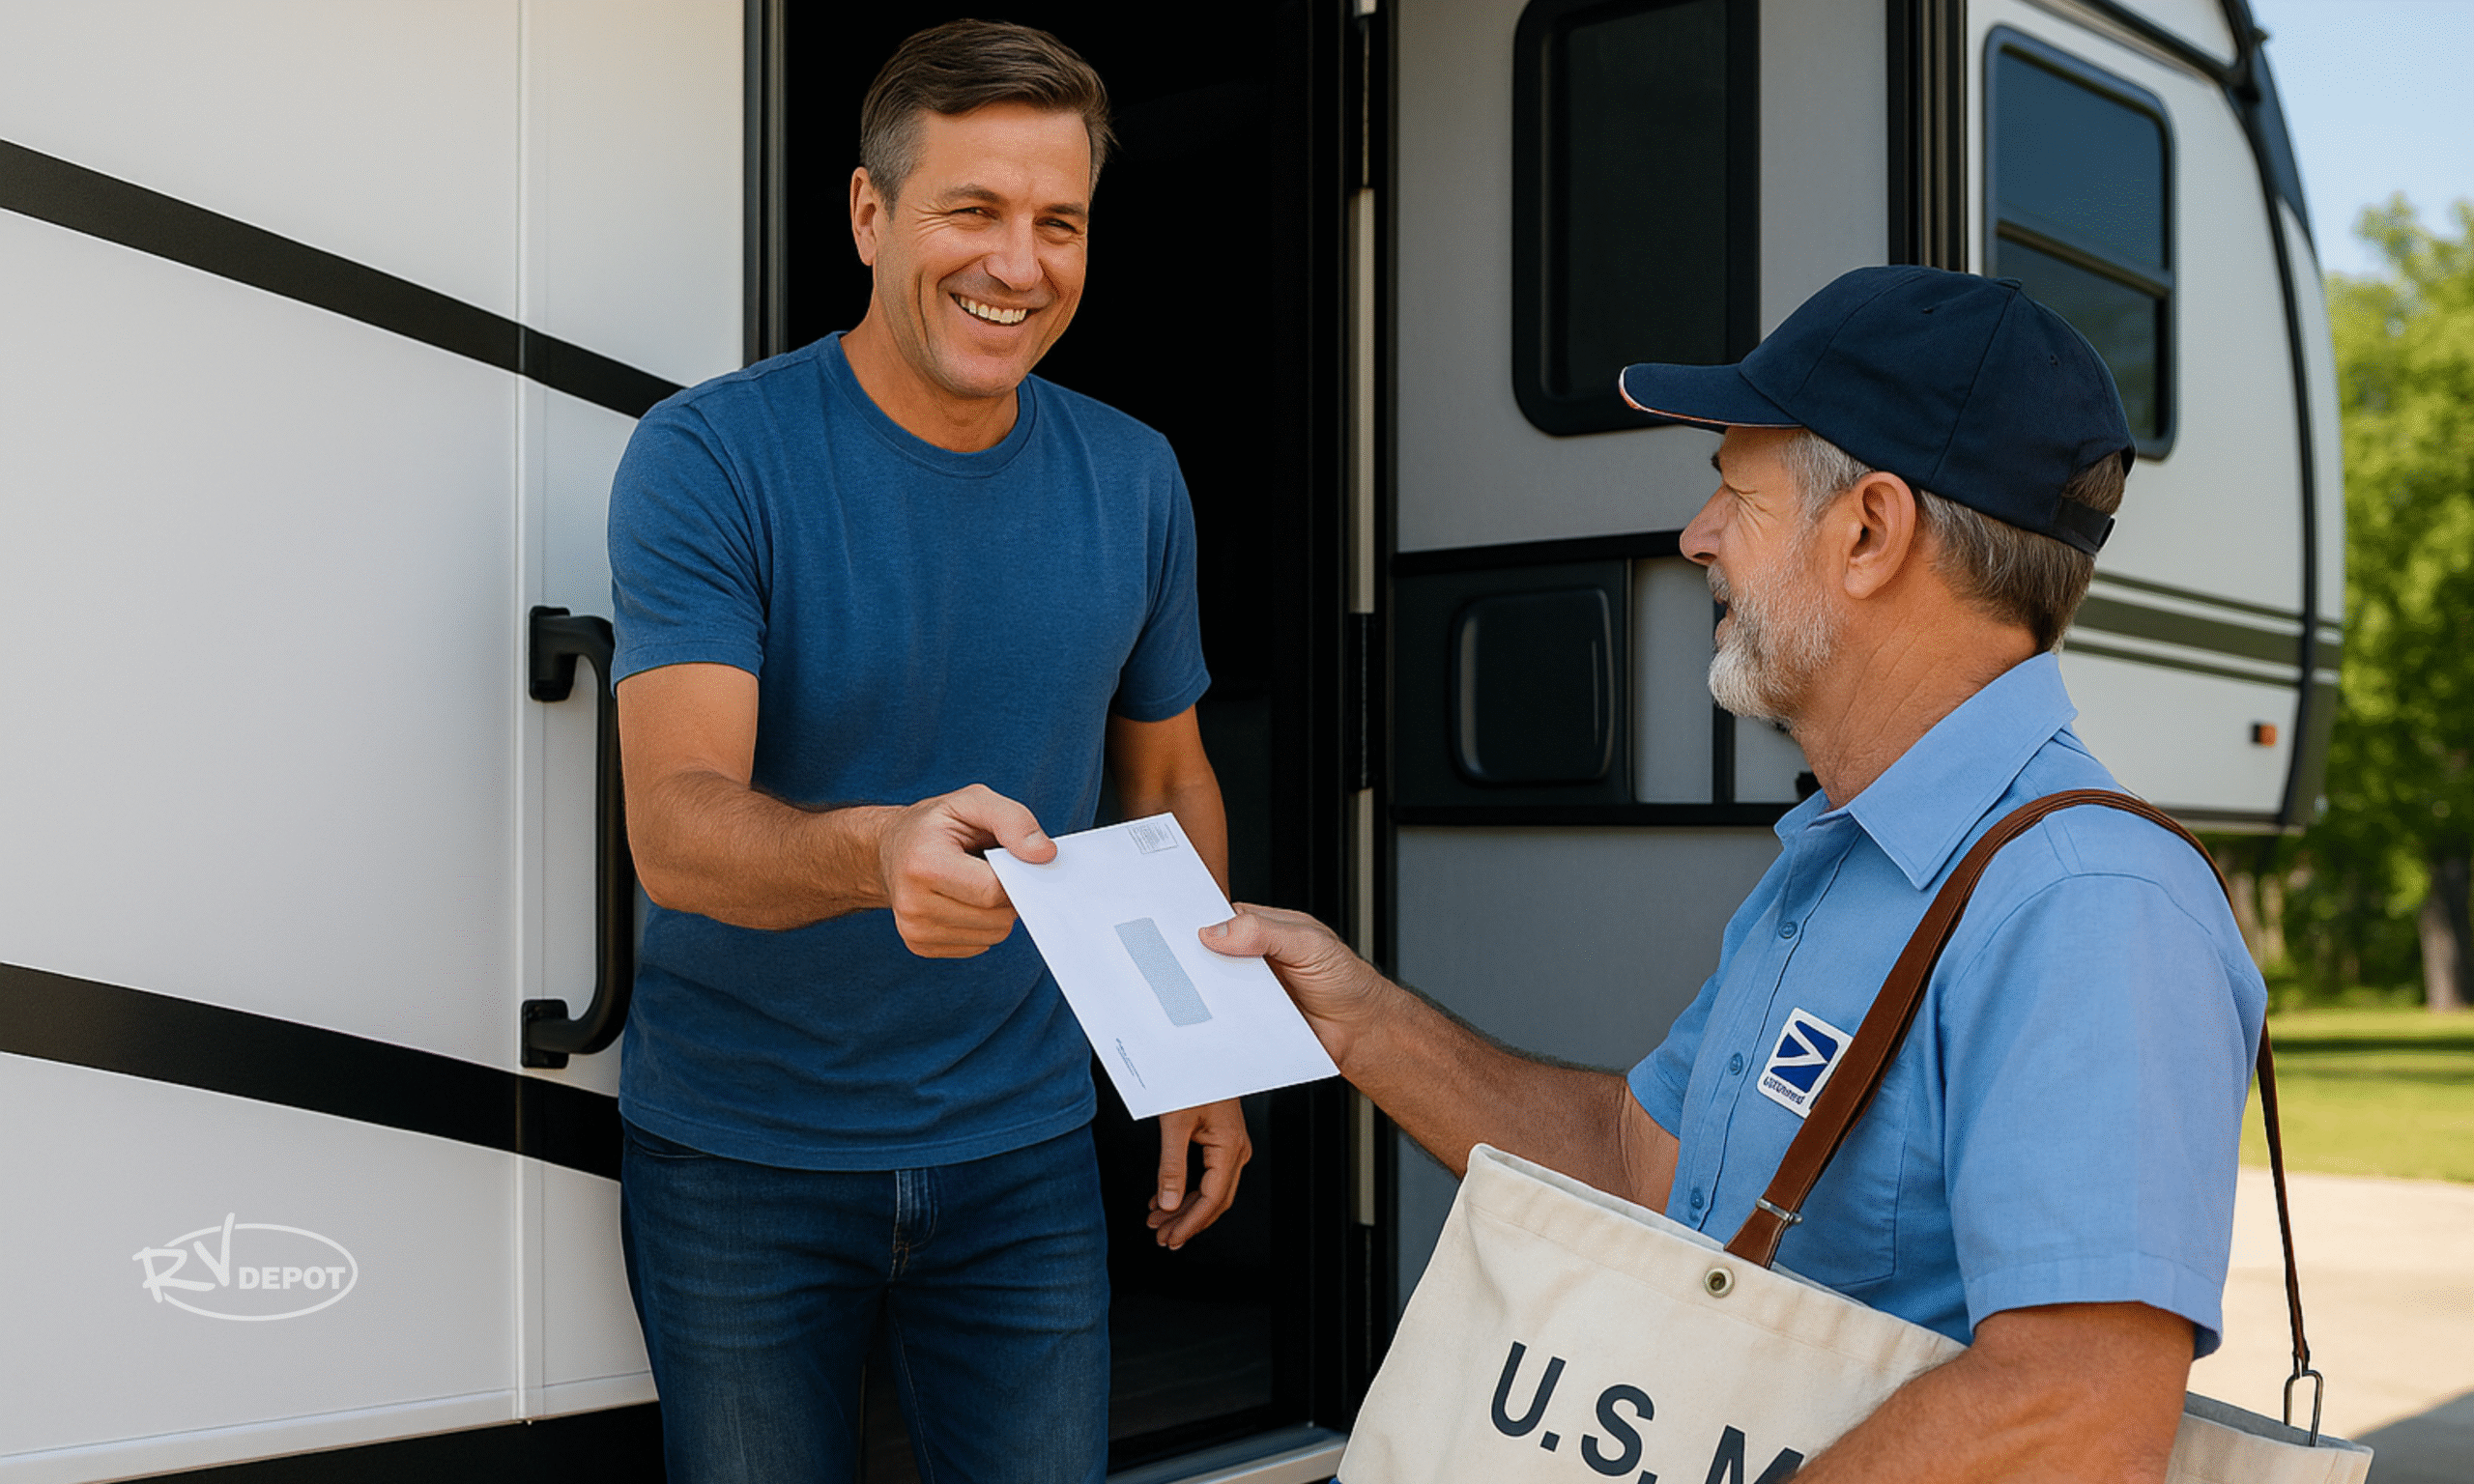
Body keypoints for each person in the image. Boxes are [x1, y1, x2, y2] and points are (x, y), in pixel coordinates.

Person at [1205, 266, 2265, 1483]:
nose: (1695, 536)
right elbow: (1638, 1164)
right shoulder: (1839, 860)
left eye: (1733, 493)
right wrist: (1358, 1019)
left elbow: (2073, 1413)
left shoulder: (2087, 902)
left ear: (1868, 531)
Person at [604, 20, 1249, 1483]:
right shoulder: (712, 459)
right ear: (869, 215)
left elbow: (1165, 783)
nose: (1018, 263)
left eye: (1058, 222)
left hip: (1021, 1146)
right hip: (740, 1156)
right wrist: (872, 849)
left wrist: (1200, 1056)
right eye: (973, 210)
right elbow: (678, 825)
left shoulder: (1135, 476)